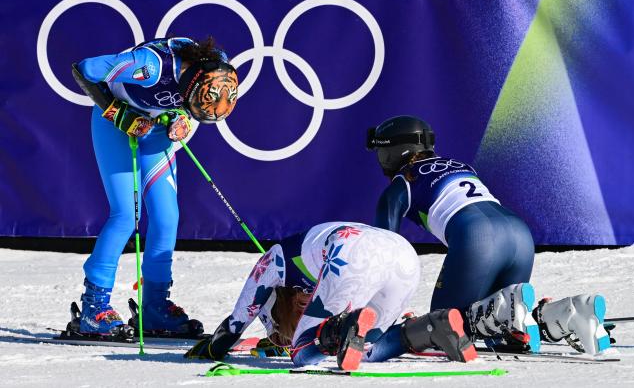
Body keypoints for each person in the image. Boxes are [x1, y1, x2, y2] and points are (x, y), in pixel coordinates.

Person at [366, 115, 611, 355]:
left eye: (383, 153)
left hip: (477, 237)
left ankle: (511, 308)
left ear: (397, 152)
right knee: (503, 326)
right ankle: (570, 312)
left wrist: (373, 326)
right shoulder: (460, 165)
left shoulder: (402, 183)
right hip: (519, 234)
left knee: (442, 327)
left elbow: (386, 255)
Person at [71, 37, 239, 338]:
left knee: (166, 218)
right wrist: (117, 113)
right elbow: (83, 70)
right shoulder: (148, 68)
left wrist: (182, 118)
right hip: (116, 127)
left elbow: (193, 107)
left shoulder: (217, 67)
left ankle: (154, 308)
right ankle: (94, 308)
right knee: (126, 215)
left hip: (157, 130)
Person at [184, 222, 477, 370]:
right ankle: (431, 328)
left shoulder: (275, 258)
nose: (283, 335)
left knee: (304, 354)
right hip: (403, 255)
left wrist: (214, 347)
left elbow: (239, 317)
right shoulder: (308, 280)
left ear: (273, 307)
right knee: (365, 349)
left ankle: (342, 326)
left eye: (277, 329)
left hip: (353, 250)